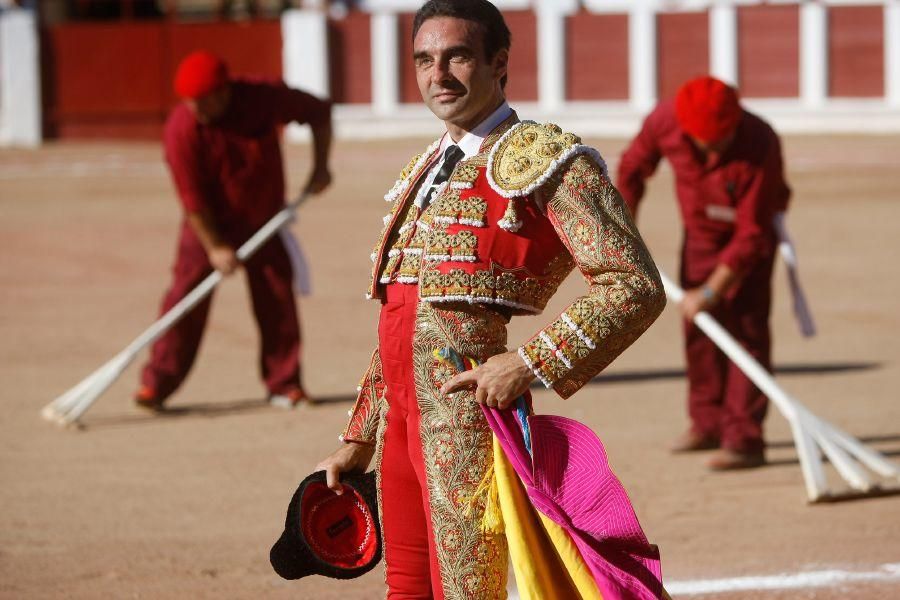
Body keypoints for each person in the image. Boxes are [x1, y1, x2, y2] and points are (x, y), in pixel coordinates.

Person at [314, 1, 666, 596]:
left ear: (498, 63)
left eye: (457, 57)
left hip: (465, 418)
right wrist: (360, 434)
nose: (438, 75)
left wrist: (529, 364)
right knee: (407, 588)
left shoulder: (547, 159)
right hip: (401, 420)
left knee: (468, 590)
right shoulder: (424, 168)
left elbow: (634, 283)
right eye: (424, 59)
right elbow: (402, 313)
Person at [135, 50, 332, 411]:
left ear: (224, 91)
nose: (196, 109)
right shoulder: (182, 129)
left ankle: (284, 384)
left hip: (263, 218)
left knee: (276, 297)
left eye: (203, 101)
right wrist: (215, 247)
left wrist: (321, 168)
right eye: (190, 102)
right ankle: (157, 383)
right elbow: (192, 200)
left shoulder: (263, 97)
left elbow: (319, 111)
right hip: (207, 225)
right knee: (184, 296)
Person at [617, 75, 791, 471]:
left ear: (735, 124)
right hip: (699, 238)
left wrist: (712, 291)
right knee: (698, 332)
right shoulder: (665, 120)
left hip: (749, 245)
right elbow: (631, 169)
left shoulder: (761, 140)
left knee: (745, 335)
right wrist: (621, 229)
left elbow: (753, 233)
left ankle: (745, 439)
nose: (712, 151)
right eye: (704, 142)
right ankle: (707, 423)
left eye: (720, 141)